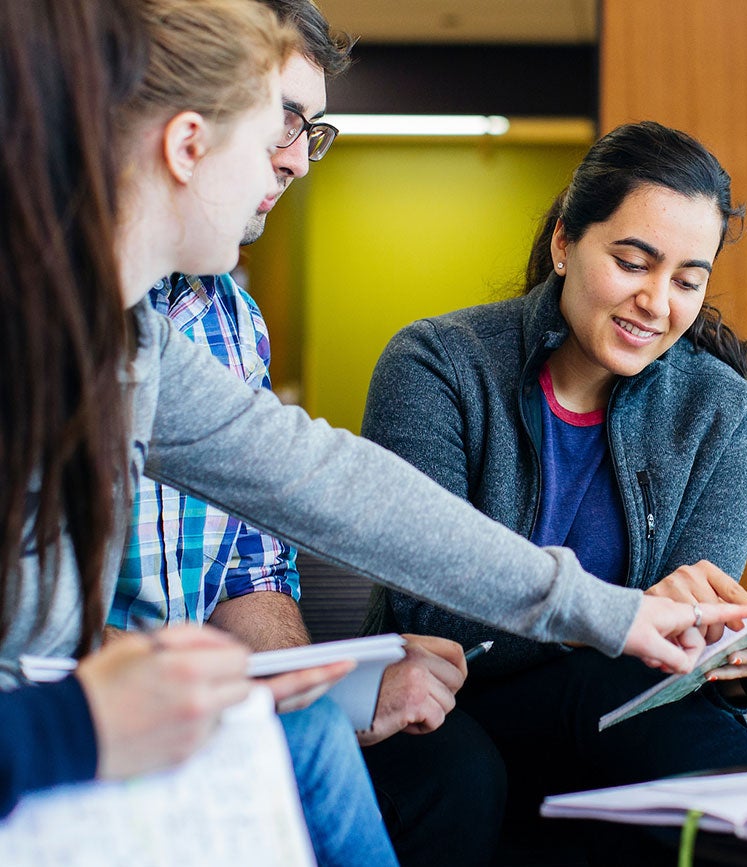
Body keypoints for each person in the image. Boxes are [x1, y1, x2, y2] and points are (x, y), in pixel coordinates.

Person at [0, 0, 747, 839]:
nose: (286, 171)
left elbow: (321, 479)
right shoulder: (61, 330)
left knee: (316, 735)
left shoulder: (133, 342)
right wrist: (80, 718)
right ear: (186, 146)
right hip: (48, 746)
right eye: (270, 137)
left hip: (80, 728)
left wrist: (609, 611)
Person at [362, 120, 747, 856]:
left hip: (610, 711)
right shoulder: (437, 365)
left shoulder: (720, 411)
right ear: (564, 243)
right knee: (479, 764)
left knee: (638, 710)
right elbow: (433, 604)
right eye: (633, 262)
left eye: (688, 280)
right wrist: (621, 617)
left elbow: (676, 656)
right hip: (441, 699)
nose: (657, 302)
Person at [103, 2, 499, 862]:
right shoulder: (68, 326)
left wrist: (312, 689)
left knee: (341, 739)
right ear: (188, 129)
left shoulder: (229, 323)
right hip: (94, 716)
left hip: (193, 703)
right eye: (280, 123)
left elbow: (262, 556)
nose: (292, 161)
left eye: (309, 131)